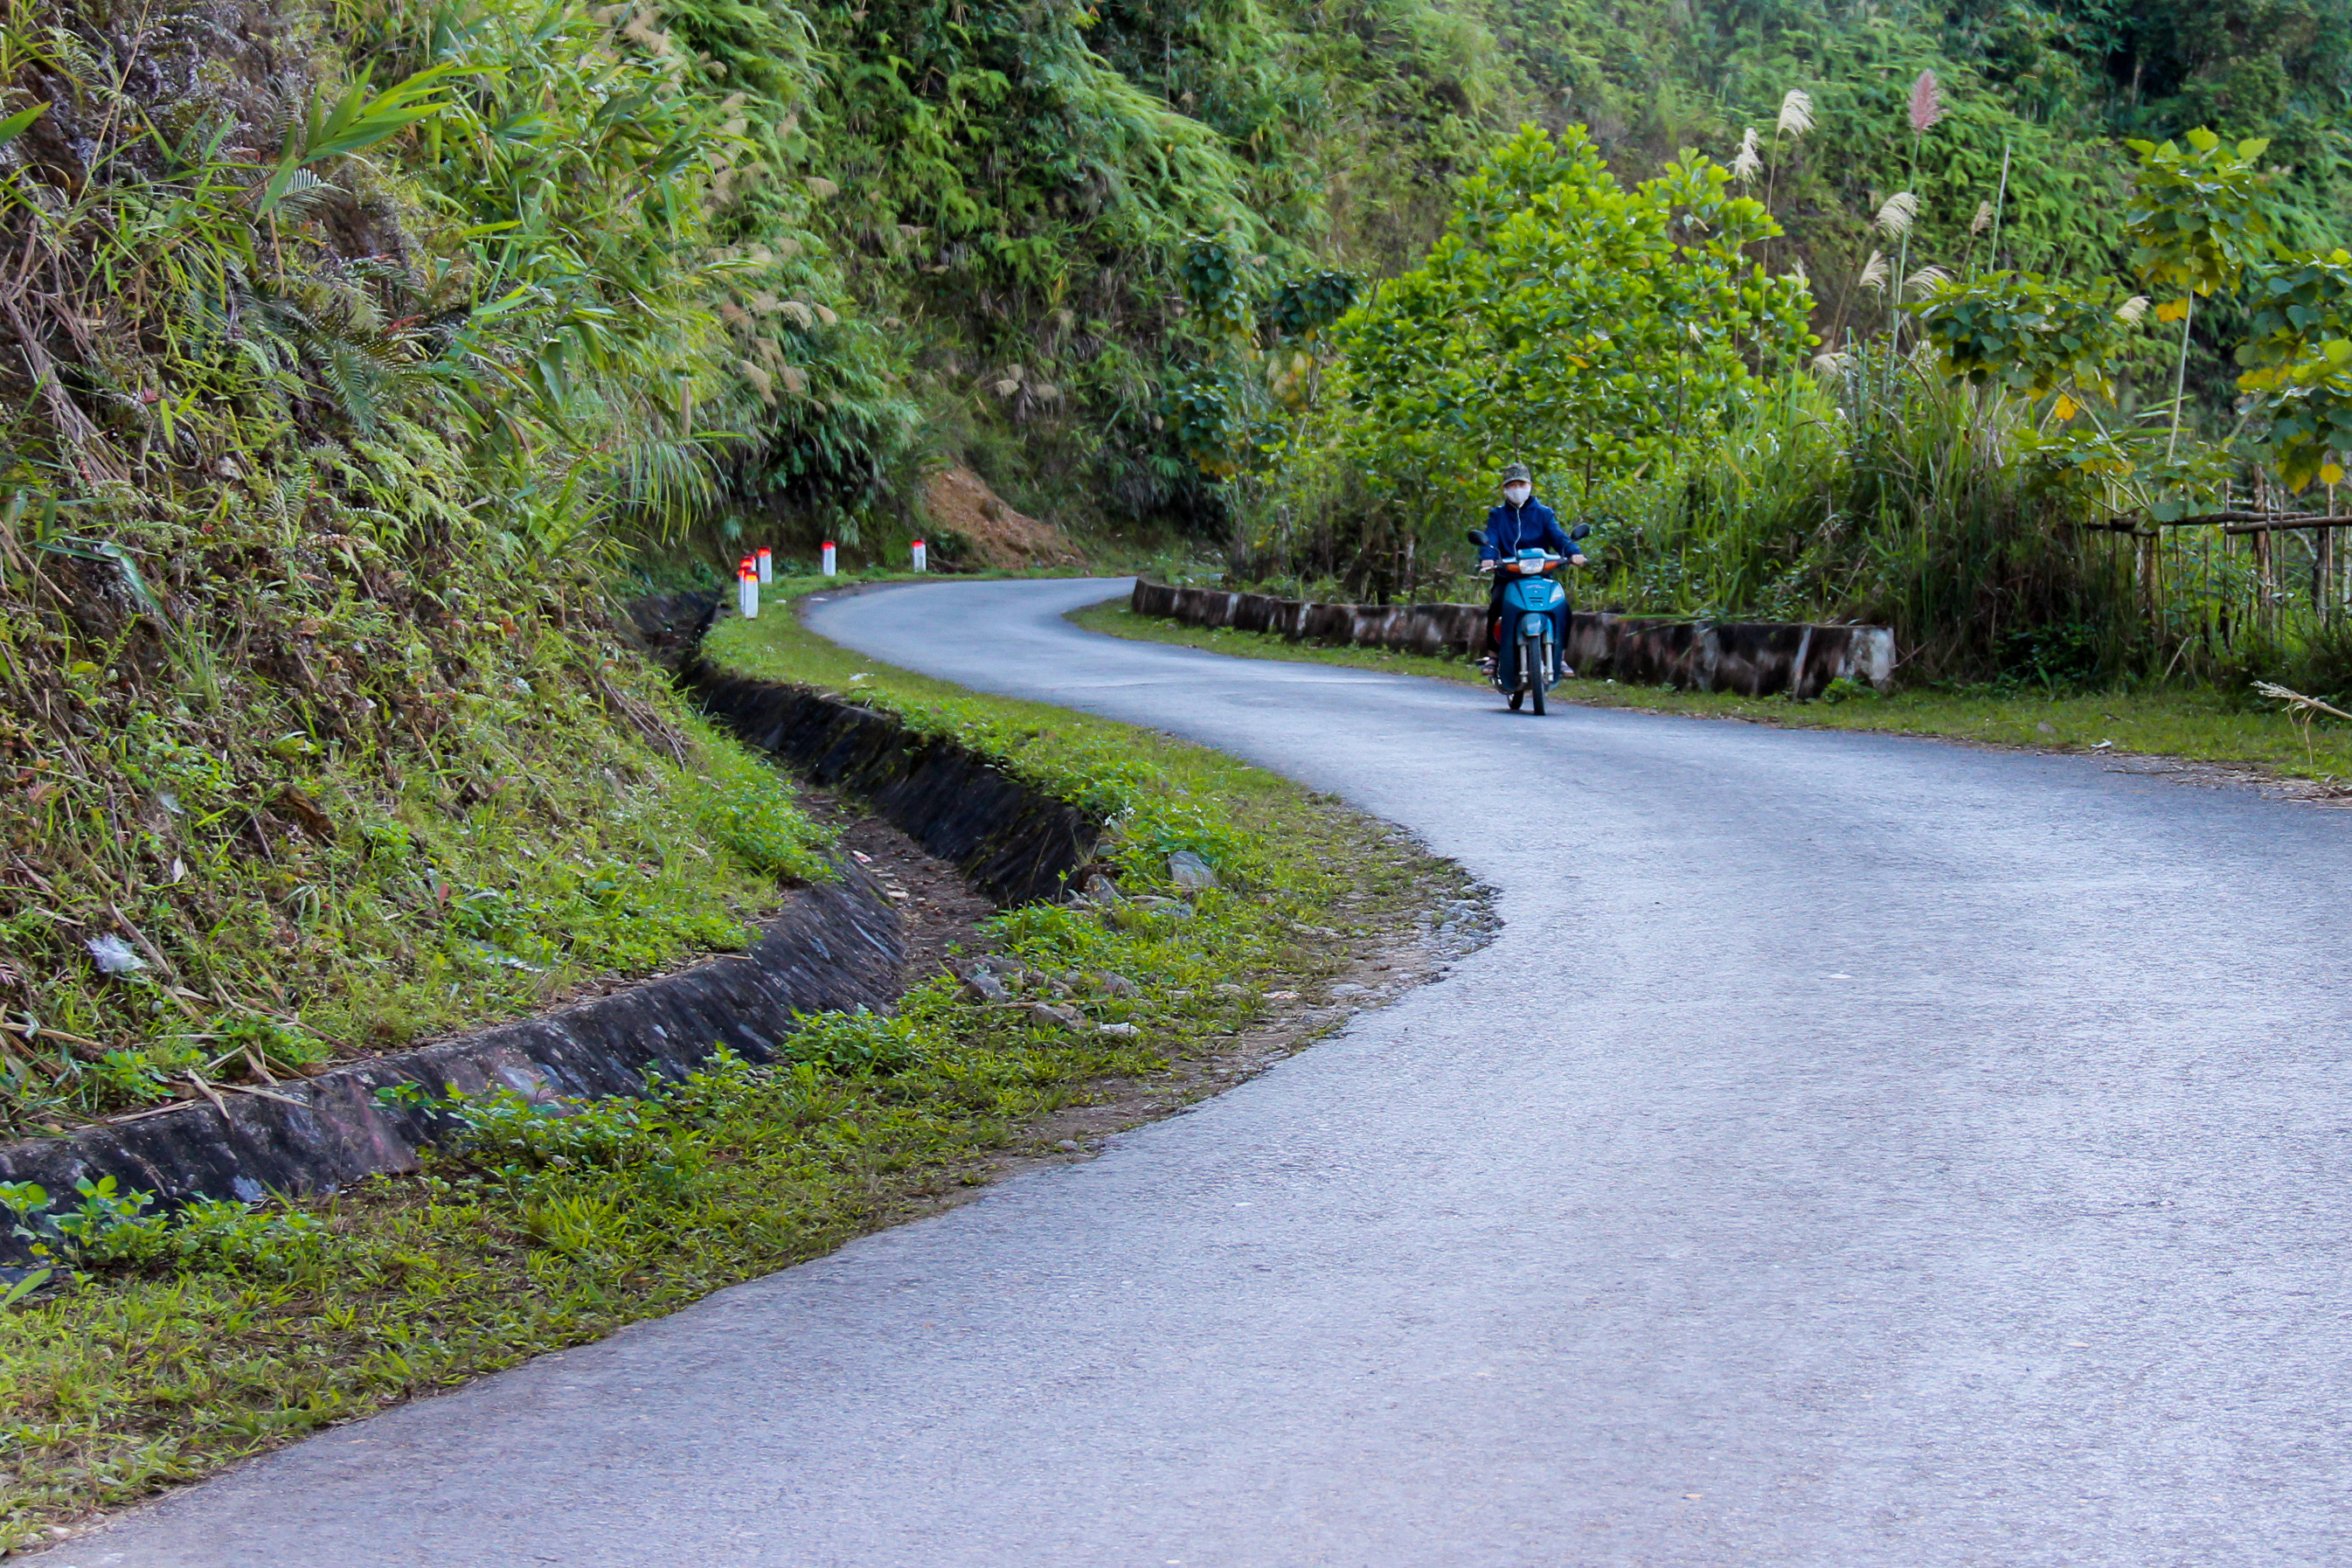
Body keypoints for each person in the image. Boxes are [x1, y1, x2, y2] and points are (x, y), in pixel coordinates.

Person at [1476, 462, 1585, 672]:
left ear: (1530, 485)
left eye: (1521, 483)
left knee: (1563, 608)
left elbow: (1559, 537)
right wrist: (1488, 558)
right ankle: (1494, 656)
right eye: (1512, 484)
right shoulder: (1497, 515)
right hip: (1508, 575)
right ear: (1504, 488)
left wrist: (1574, 553)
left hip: (1541, 575)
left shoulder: (1544, 514)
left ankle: (1560, 657)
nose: (1517, 488)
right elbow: (1491, 540)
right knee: (1497, 605)